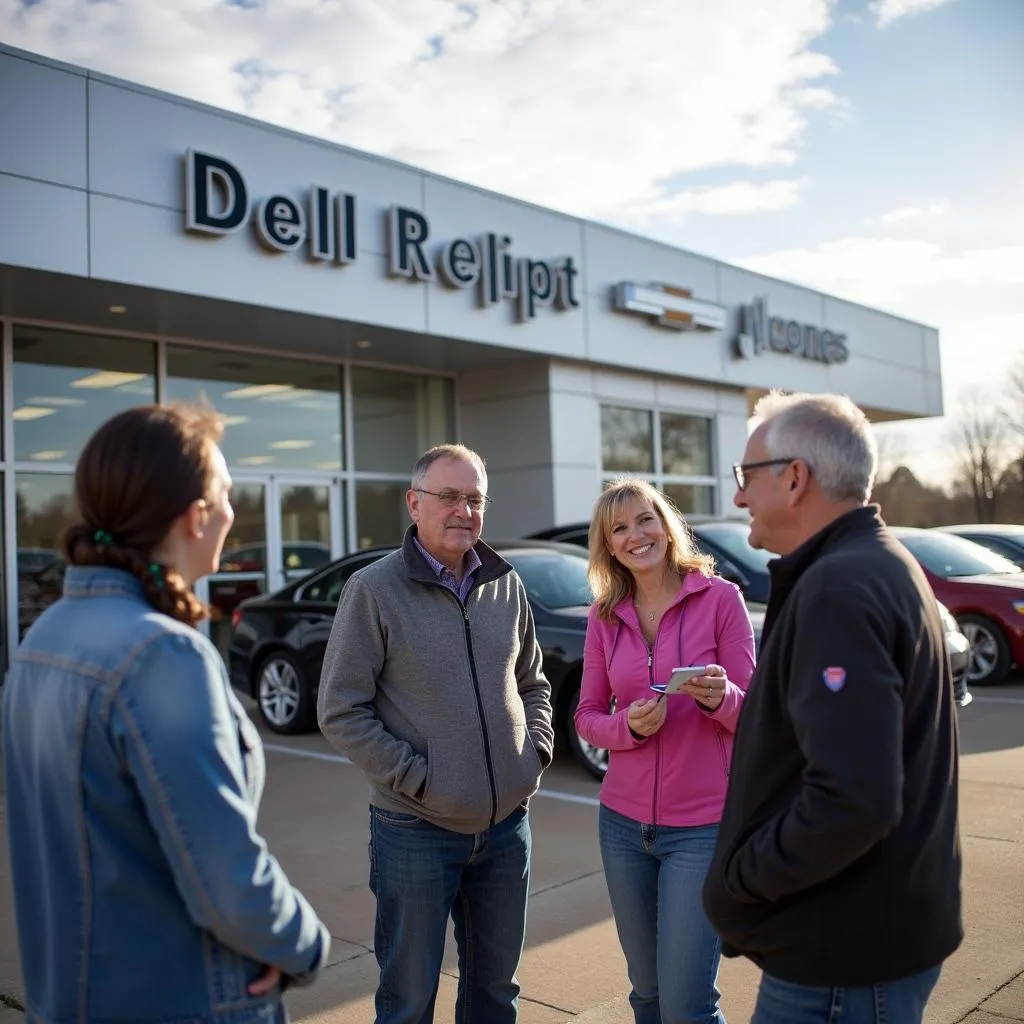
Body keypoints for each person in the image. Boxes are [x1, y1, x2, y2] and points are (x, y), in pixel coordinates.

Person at [2, 403, 329, 1024]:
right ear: (197, 516)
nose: (235, 514)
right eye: (229, 496)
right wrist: (304, 945)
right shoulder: (161, 654)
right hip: (186, 1001)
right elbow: (229, 881)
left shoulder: (45, 637)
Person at [702, 391, 963, 1024]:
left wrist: (741, 879)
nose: (738, 498)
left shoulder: (839, 588)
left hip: (843, 961)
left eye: (746, 477)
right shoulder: (872, 565)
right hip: (866, 946)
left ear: (795, 478)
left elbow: (854, 799)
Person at [317, 443, 554, 1024]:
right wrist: (420, 779)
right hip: (414, 830)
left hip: (505, 831)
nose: (463, 511)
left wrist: (533, 752)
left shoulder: (506, 583)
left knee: (496, 995)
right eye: (448, 496)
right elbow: (341, 709)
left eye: (475, 499)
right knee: (408, 999)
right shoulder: (373, 589)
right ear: (414, 503)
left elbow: (533, 680)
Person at [574, 479, 755, 1024]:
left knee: (686, 1006)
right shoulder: (604, 616)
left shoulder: (721, 599)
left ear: (665, 524)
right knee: (647, 996)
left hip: (701, 830)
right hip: (622, 828)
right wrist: (625, 727)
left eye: (644, 519)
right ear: (608, 546)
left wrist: (722, 698)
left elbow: (758, 715)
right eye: (619, 529)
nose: (635, 535)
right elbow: (586, 717)